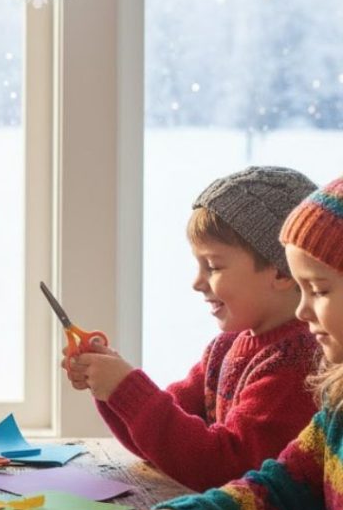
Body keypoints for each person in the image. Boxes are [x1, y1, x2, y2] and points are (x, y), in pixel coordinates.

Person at [109, 173, 343, 510]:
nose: (304, 309)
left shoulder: (297, 362)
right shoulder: (337, 405)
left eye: (319, 290)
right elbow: (278, 489)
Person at [65, 166, 320, 490]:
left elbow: (222, 468)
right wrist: (111, 385)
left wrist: (125, 387)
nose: (197, 283)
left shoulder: (299, 365)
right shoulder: (225, 348)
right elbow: (163, 446)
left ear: (282, 272)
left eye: (213, 266)